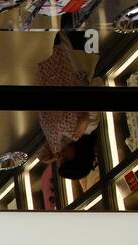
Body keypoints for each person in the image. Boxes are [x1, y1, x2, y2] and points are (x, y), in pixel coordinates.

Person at [33, 28, 101, 180]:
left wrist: (46, 155)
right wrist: (86, 115)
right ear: (79, 157)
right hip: (74, 47)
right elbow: (98, 83)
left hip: (43, 57)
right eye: (66, 160)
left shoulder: (58, 143)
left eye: (60, 162)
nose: (61, 158)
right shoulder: (89, 126)